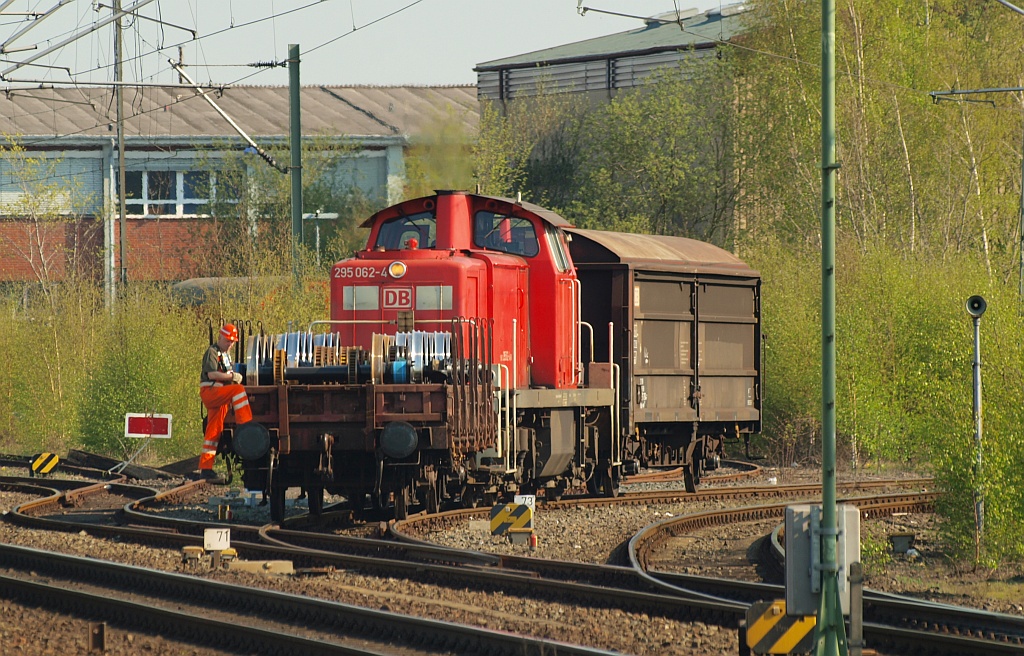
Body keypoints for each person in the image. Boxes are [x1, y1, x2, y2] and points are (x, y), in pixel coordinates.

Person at [198, 323, 252, 481]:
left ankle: (206, 468)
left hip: (219, 396)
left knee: (213, 432)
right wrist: (232, 377)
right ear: (221, 337)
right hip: (211, 391)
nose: (231, 344)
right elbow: (212, 374)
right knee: (238, 390)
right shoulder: (212, 352)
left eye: (233, 342)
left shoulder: (225, 355)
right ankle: (245, 425)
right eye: (228, 341)